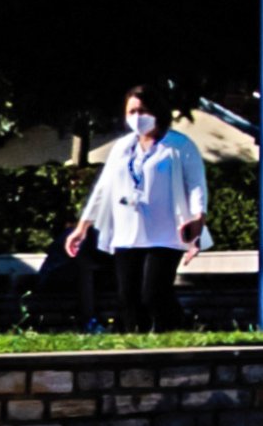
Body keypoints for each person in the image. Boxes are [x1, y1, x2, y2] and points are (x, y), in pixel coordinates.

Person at [63, 89, 208, 332]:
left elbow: (196, 185)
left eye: (143, 111)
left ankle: (174, 331)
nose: (137, 117)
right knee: (128, 296)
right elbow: (103, 189)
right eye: (131, 112)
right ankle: (136, 339)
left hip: (166, 233)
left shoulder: (180, 146)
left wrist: (198, 217)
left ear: (157, 112)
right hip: (128, 231)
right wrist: (82, 227)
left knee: (153, 293)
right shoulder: (122, 147)